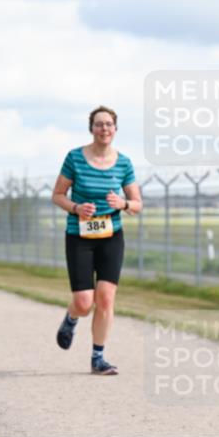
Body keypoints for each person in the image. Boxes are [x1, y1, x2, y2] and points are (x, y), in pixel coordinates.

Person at [51, 106, 142, 375]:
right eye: (99, 124)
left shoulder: (123, 162)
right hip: (80, 236)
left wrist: (123, 203)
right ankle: (71, 319)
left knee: (105, 298)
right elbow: (57, 195)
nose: (104, 129)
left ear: (115, 129)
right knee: (83, 301)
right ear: (91, 128)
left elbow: (137, 204)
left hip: (111, 236)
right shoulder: (75, 158)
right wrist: (76, 208)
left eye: (109, 124)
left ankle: (98, 357)